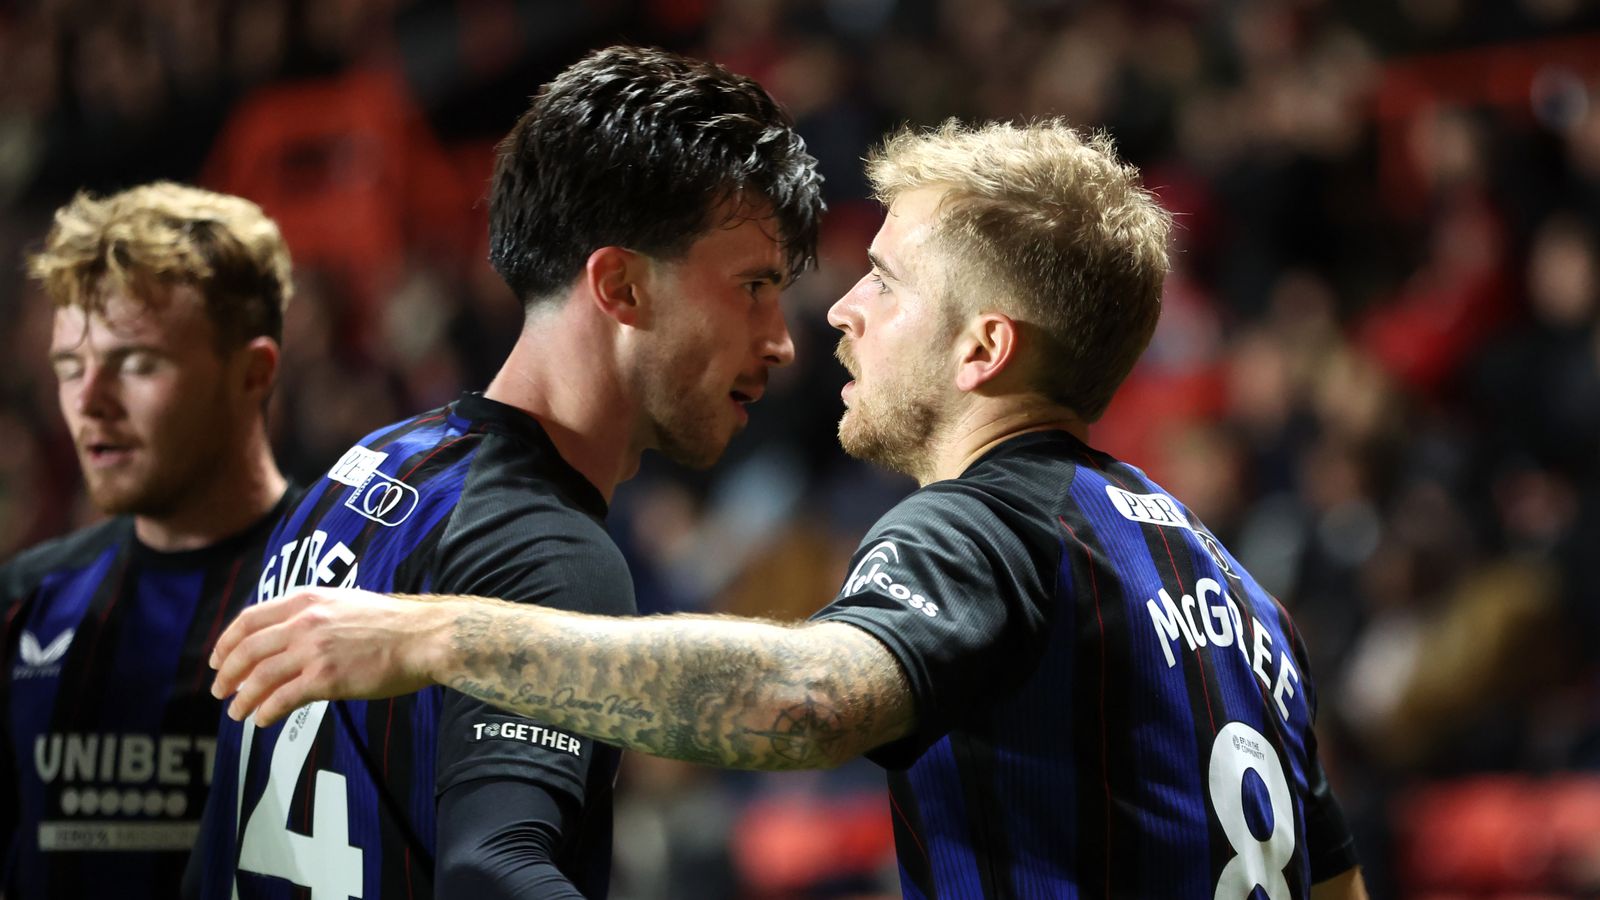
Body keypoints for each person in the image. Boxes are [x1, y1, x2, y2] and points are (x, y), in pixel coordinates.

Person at [212, 120, 1370, 898]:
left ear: (982, 349)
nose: (840, 311)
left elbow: (804, 701)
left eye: (886, 281)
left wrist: (435, 633)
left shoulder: (982, 527)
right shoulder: (1238, 593)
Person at [184, 45, 823, 899]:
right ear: (622, 288)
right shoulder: (550, 556)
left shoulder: (356, 473)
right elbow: (493, 871)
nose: (780, 340)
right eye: (752, 286)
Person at [0, 182, 296, 898]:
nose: (88, 401)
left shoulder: (353, 590)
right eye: (69, 367)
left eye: (135, 363)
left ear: (253, 373)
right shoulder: (23, 602)